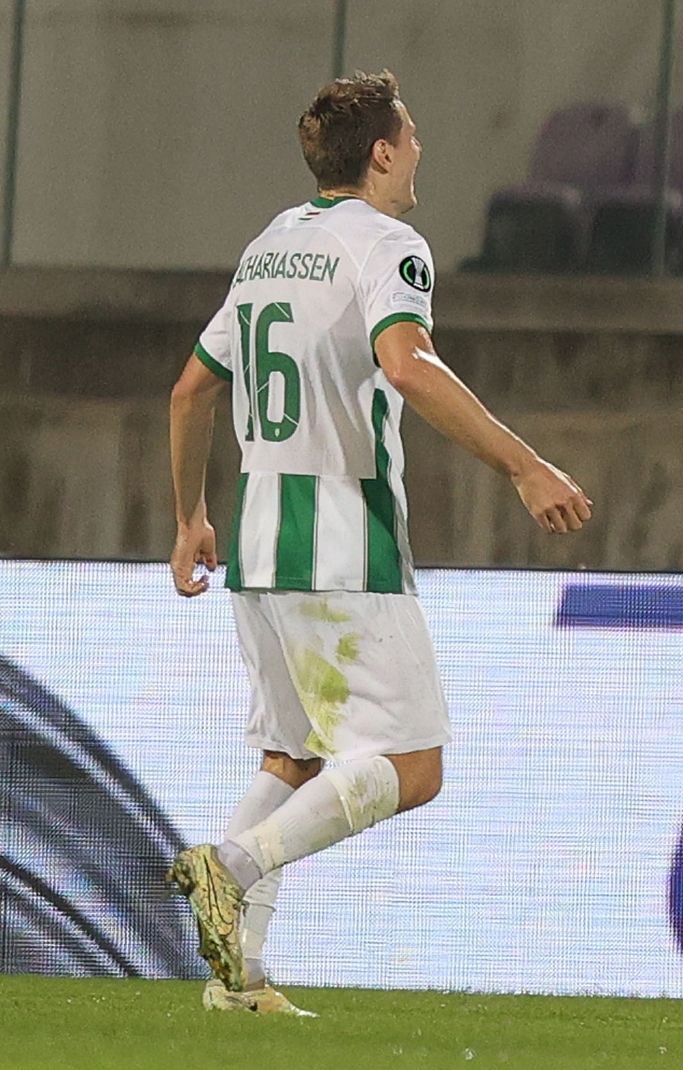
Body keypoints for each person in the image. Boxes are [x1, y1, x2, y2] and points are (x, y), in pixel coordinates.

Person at [165, 70, 592, 1015]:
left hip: (256, 538)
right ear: (383, 152)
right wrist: (524, 465)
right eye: (414, 134)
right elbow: (409, 363)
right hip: (342, 539)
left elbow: (191, 389)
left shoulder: (270, 245)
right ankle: (229, 868)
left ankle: (238, 983)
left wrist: (190, 516)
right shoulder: (389, 243)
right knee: (414, 766)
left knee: (296, 758)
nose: (422, 151)